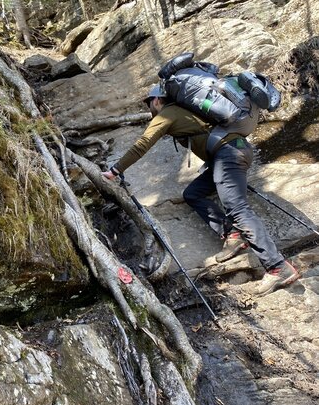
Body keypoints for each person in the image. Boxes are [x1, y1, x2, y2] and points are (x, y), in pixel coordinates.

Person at [102, 84, 299, 296]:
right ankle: (232, 235)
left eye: (149, 103)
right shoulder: (190, 109)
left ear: (157, 100)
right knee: (193, 193)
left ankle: (277, 266)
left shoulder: (167, 113)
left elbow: (143, 144)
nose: (150, 108)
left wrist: (114, 170)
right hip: (232, 154)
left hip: (228, 156)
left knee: (239, 210)